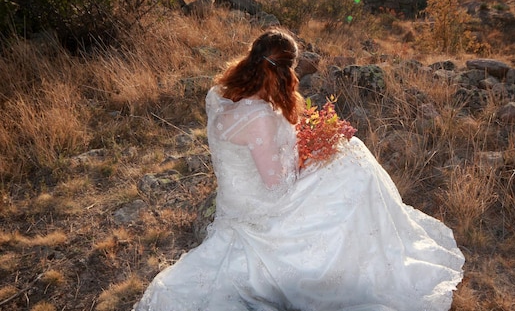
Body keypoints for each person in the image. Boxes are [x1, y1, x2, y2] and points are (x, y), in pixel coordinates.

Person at [134, 29, 464, 311]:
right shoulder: (260, 117)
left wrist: (301, 143)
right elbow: (276, 184)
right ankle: (377, 258)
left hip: (237, 197)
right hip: (262, 208)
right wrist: (311, 154)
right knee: (354, 168)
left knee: (349, 157)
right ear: (286, 70)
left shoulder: (223, 93)